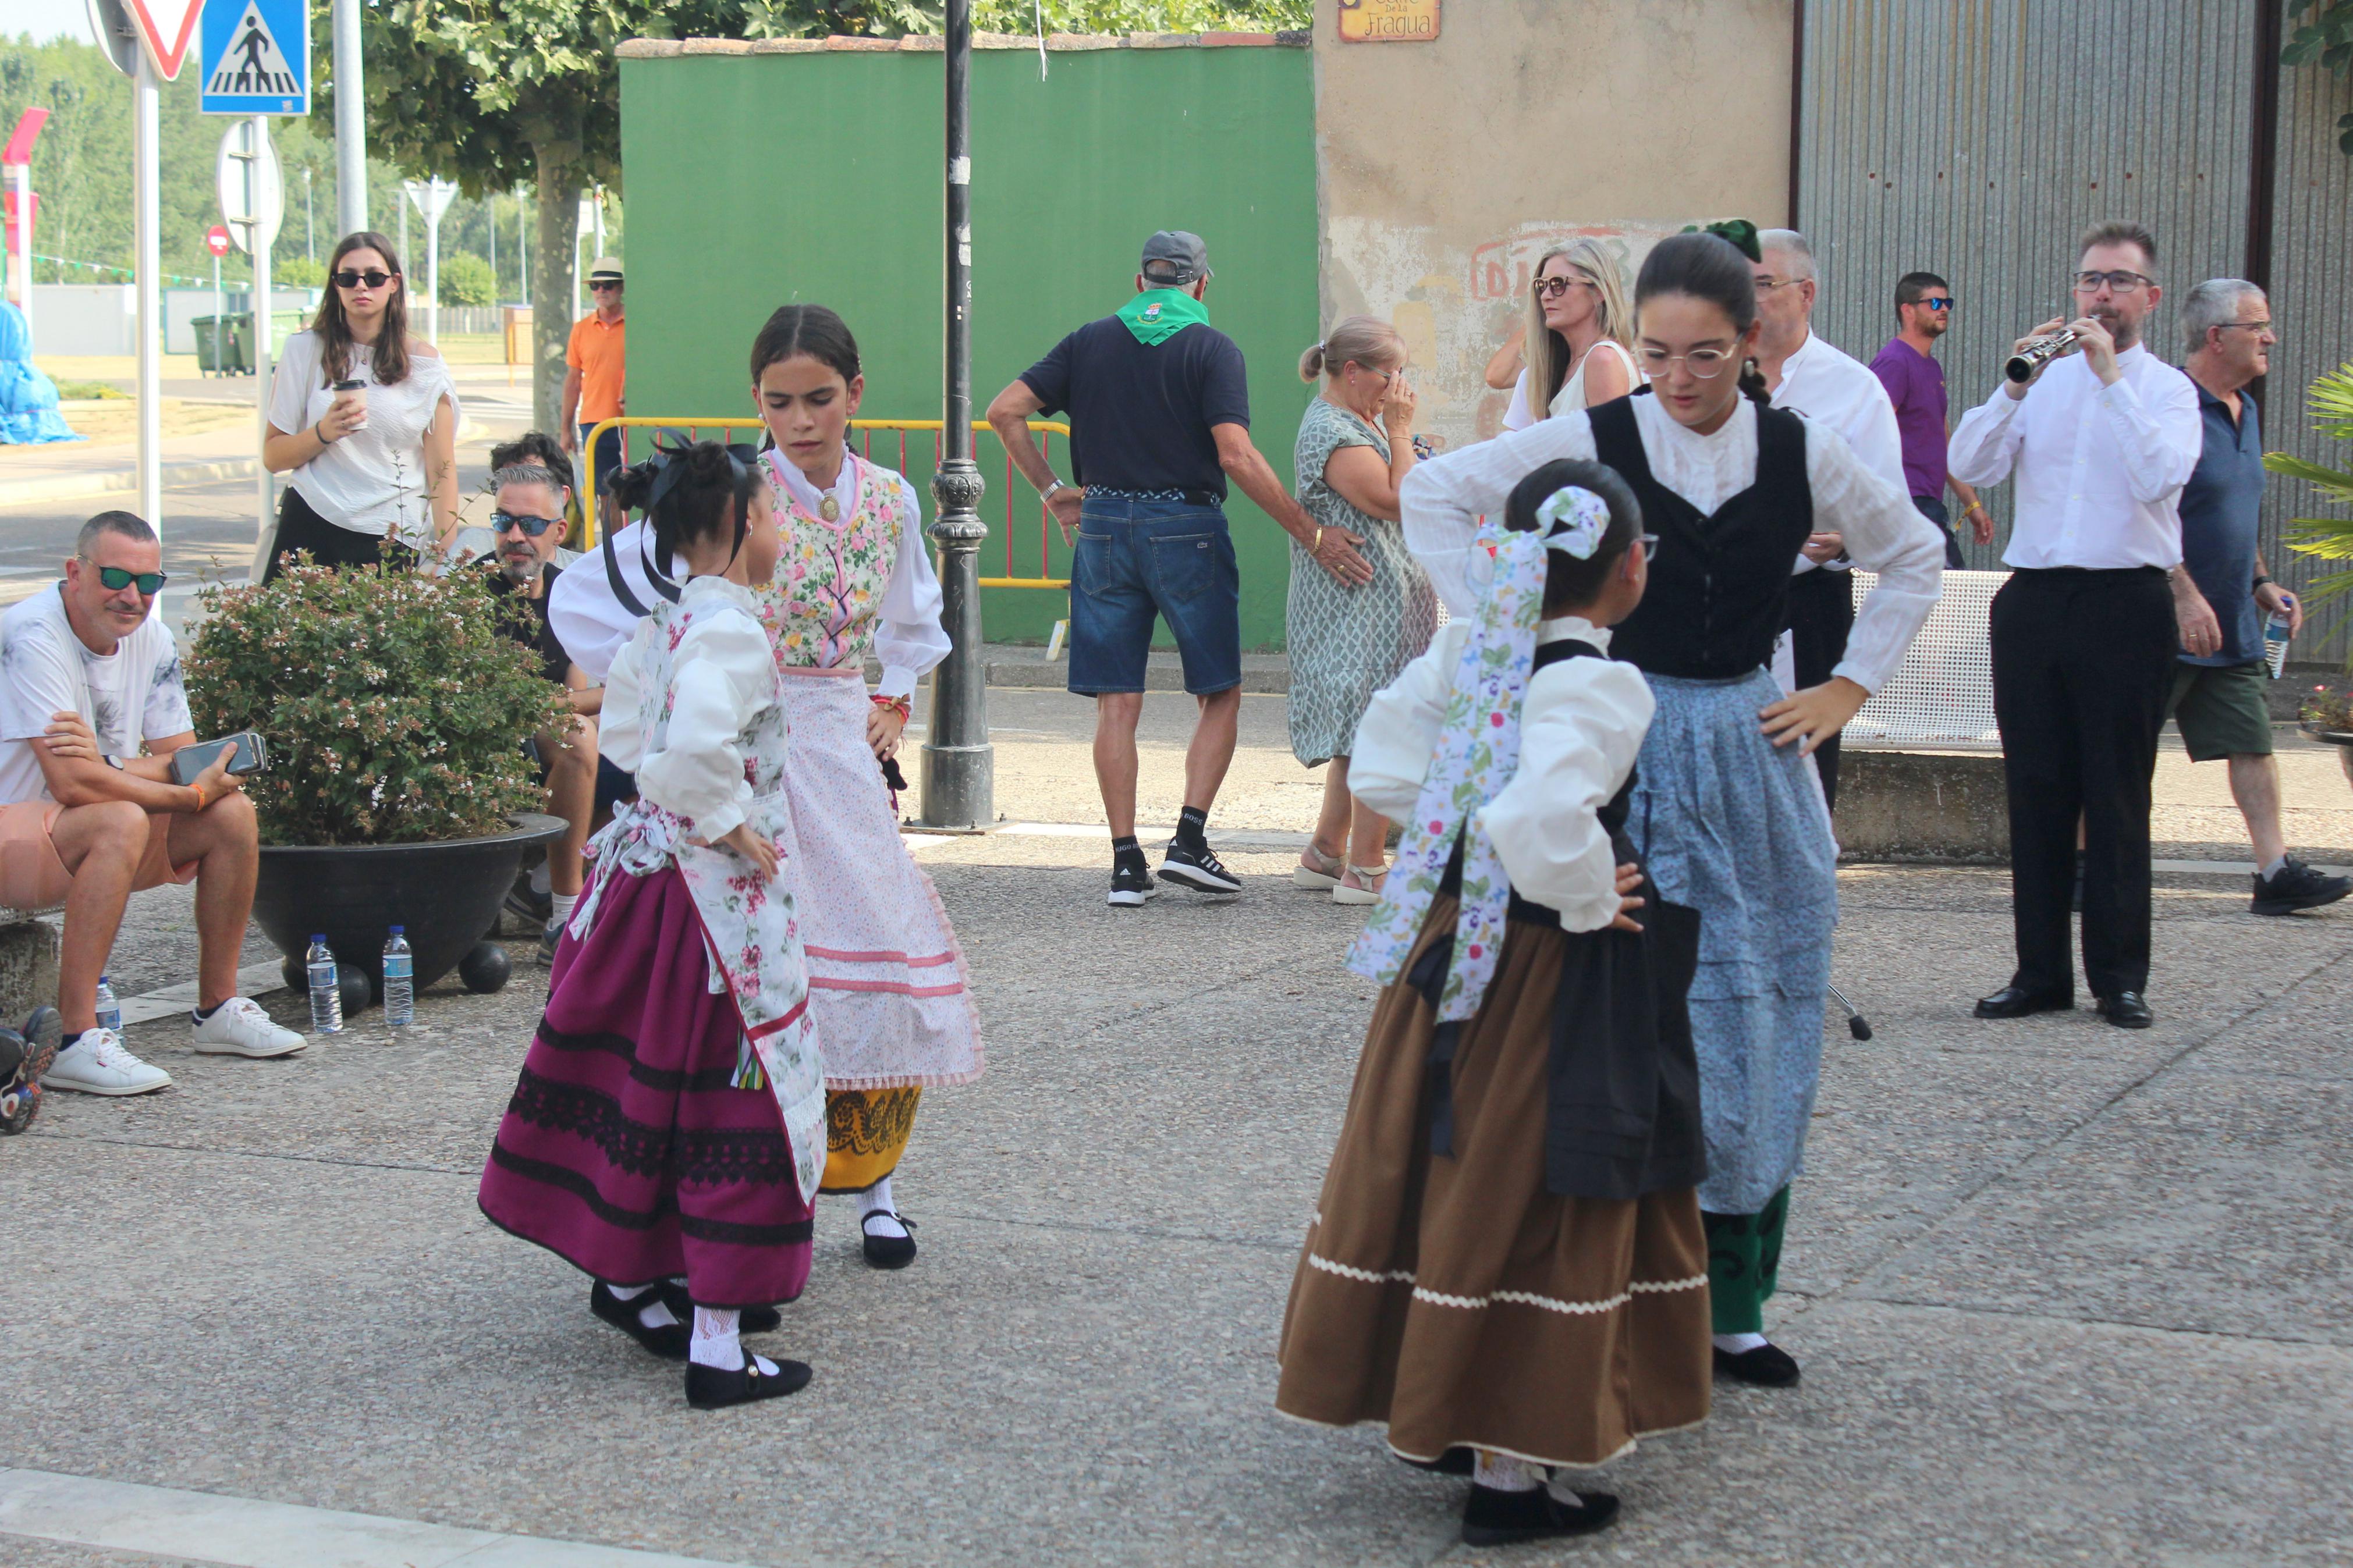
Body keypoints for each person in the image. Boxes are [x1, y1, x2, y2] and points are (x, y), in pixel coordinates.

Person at [1399, 227, 1945, 1388]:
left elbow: (1912, 553)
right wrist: (1514, 643)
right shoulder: (1594, 435)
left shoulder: (1802, 446)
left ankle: (1732, 1305)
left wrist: (1845, 688)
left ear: (1750, 343)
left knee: (1758, 1021)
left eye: (1703, 353)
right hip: (1623, 745)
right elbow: (1433, 494)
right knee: (1627, 1028)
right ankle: (1622, 1298)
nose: (1678, 378)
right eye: (1655, 351)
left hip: (1753, 751)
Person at [1276, 460, 1706, 1547]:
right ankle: (1512, 1476)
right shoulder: (1597, 685)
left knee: (1448, 1173)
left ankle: (1453, 1414)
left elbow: (1378, 768)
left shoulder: (1469, 649)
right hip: (1546, 973)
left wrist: (1457, 830)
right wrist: (1573, 888)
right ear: (1631, 570)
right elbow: (1536, 815)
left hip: (1450, 957)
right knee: (1537, 1194)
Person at [477, 442, 822, 1411]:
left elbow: (628, 735)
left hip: (648, 882)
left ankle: (638, 1276)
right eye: (775, 513)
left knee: (647, 1089)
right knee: (731, 1101)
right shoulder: (731, 634)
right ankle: (716, 1339)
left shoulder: (667, 620)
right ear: (744, 522)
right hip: (711, 910)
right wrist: (727, 823)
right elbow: (679, 753)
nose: (782, 527)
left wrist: (689, 810)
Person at [986, 229, 1368, 907]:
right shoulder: (1211, 348)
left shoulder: (1088, 340)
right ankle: (1188, 842)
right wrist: (1311, 533)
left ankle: (1125, 864)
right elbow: (1236, 455)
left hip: (1102, 526)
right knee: (1217, 691)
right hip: (1185, 528)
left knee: (1117, 700)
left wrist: (1052, 493)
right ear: (1200, 285)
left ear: (1140, 283)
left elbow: (1004, 411)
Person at [744, 304, 982, 1270]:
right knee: (777, 966)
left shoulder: (886, 496)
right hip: (756, 746)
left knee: (878, 955)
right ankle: (779, 1184)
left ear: (855, 395)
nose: (799, 421)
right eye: (777, 403)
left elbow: (912, 615)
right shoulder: (738, 490)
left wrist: (893, 699)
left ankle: (876, 1185)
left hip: (841, 745)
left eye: (817, 399)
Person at [1951, 221, 2208, 1031]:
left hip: (2123, 600)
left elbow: (2158, 475)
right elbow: (1968, 462)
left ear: (2150, 298)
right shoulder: (2043, 383)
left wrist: (2107, 379)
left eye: (2118, 282)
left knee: (2117, 789)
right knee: (2033, 791)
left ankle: (2119, 977)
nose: (2100, 295)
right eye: (2090, 280)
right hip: (2033, 599)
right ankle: (2038, 973)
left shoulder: (2164, 390)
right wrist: (2015, 386)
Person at [0, 511, 309, 1100]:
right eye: (116, 576)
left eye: (149, 582)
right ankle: (73, 1039)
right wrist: (179, 793)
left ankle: (218, 1009)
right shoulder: (31, 632)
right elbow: (73, 784)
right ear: (75, 571)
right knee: (122, 817)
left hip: (85, 829)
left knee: (230, 813)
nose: (132, 596)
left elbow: (185, 758)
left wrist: (121, 770)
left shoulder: (154, 637)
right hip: (16, 834)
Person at [2169, 280, 2349, 916]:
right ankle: (2085, 869)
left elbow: (2233, 513)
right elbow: (2141, 511)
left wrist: (2259, 582)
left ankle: (2273, 872)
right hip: (2165, 619)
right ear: (2216, 337)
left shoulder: (2243, 408)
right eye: (2258, 326)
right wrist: (2181, 594)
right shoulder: (2170, 407)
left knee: (2252, 743)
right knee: (2120, 749)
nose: (2270, 337)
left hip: (2231, 621)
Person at [1753, 227, 1908, 812]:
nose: (1749, 298)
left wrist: (1845, 540)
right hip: (1715, 601)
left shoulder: (1853, 390)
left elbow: (1888, 515)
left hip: (1806, 602)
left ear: (1805, 292)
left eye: (1764, 284)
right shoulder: (1708, 378)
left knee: (1800, 784)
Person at [1289, 316, 1437, 904]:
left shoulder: (1358, 419)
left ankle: (1325, 851)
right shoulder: (1334, 429)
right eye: (1389, 373)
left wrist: (1398, 435)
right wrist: (1401, 433)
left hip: (1378, 601)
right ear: (1351, 372)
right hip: (1360, 605)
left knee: (1361, 726)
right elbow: (1396, 501)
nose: (1398, 386)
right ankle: (1367, 868)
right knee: (1380, 726)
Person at [477, 454, 622, 961]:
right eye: (503, 521)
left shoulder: (568, 593)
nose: (514, 535)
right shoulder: (472, 595)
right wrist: (574, 702)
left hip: (550, 738)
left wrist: (576, 701)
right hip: (494, 745)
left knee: (656, 742)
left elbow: (583, 687)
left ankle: (540, 881)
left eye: (531, 524)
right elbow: (496, 703)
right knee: (579, 735)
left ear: (558, 531)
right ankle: (565, 911)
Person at [261, 232, 462, 578]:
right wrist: (324, 432)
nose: (361, 287)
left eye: (374, 277)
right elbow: (273, 456)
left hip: (391, 535)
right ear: (336, 285)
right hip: (311, 518)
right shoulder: (305, 351)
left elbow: (442, 473)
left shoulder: (426, 366)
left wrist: (444, 560)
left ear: (394, 283)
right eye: (348, 278)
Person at [1869, 272, 1992, 568]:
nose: (1945, 309)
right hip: (1905, 504)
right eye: (1935, 302)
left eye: (1947, 301)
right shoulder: (1895, 362)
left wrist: (1971, 503)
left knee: (1941, 598)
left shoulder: (1931, 367)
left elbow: (1942, 439)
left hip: (1927, 505)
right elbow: (1869, 432)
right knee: (1950, 595)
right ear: (1908, 309)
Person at [1499, 239, 1638, 432]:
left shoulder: (1603, 361)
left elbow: (1610, 454)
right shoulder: (1544, 373)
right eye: (1542, 286)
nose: (1546, 295)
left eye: (1558, 284)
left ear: (1599, 291)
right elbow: (1510, 454)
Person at [562, 258, 627, 490]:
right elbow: (572, 381)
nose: (601, 291)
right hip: (594, 420)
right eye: (595, 286)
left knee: (632, 489)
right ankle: (611, 530)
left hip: (631, 420)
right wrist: (565, 430)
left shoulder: (635, 326)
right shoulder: (580, 330)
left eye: (608, 285)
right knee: (606, 491)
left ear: (621, 288)